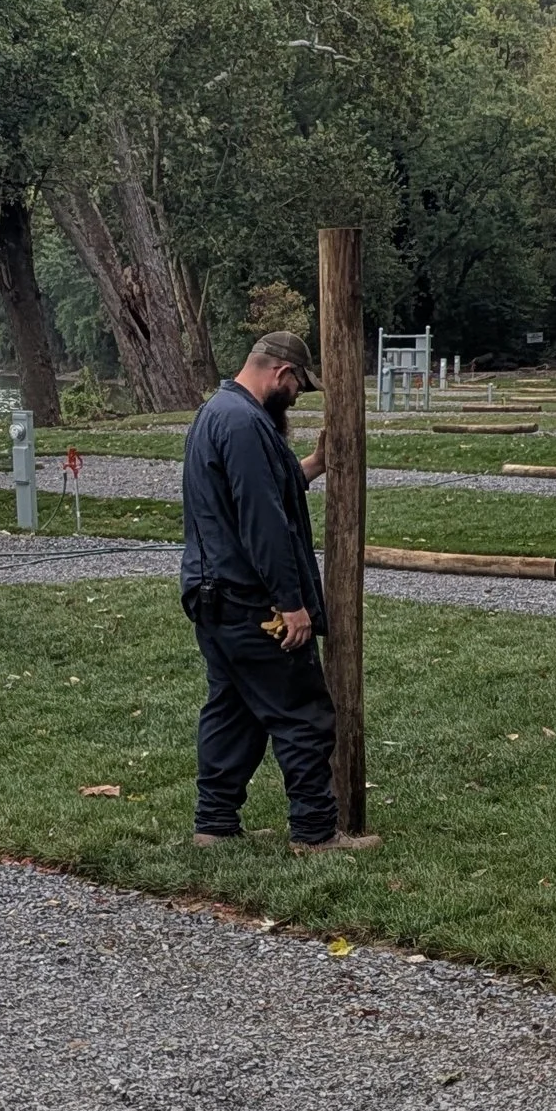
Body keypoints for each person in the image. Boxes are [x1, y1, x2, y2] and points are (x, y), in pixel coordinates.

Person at [180, 330, 375, 855]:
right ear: (281, 374)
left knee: (234, 711)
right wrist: (291, 605)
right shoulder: (245, 424)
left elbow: (264, 489)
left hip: (211, 597)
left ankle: (214, 825)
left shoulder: (219, 412)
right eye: (297, 389)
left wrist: (314, 464)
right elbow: (262, 522)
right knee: (302, 711)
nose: (296, 399)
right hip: (250, 600)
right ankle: (315, 833)